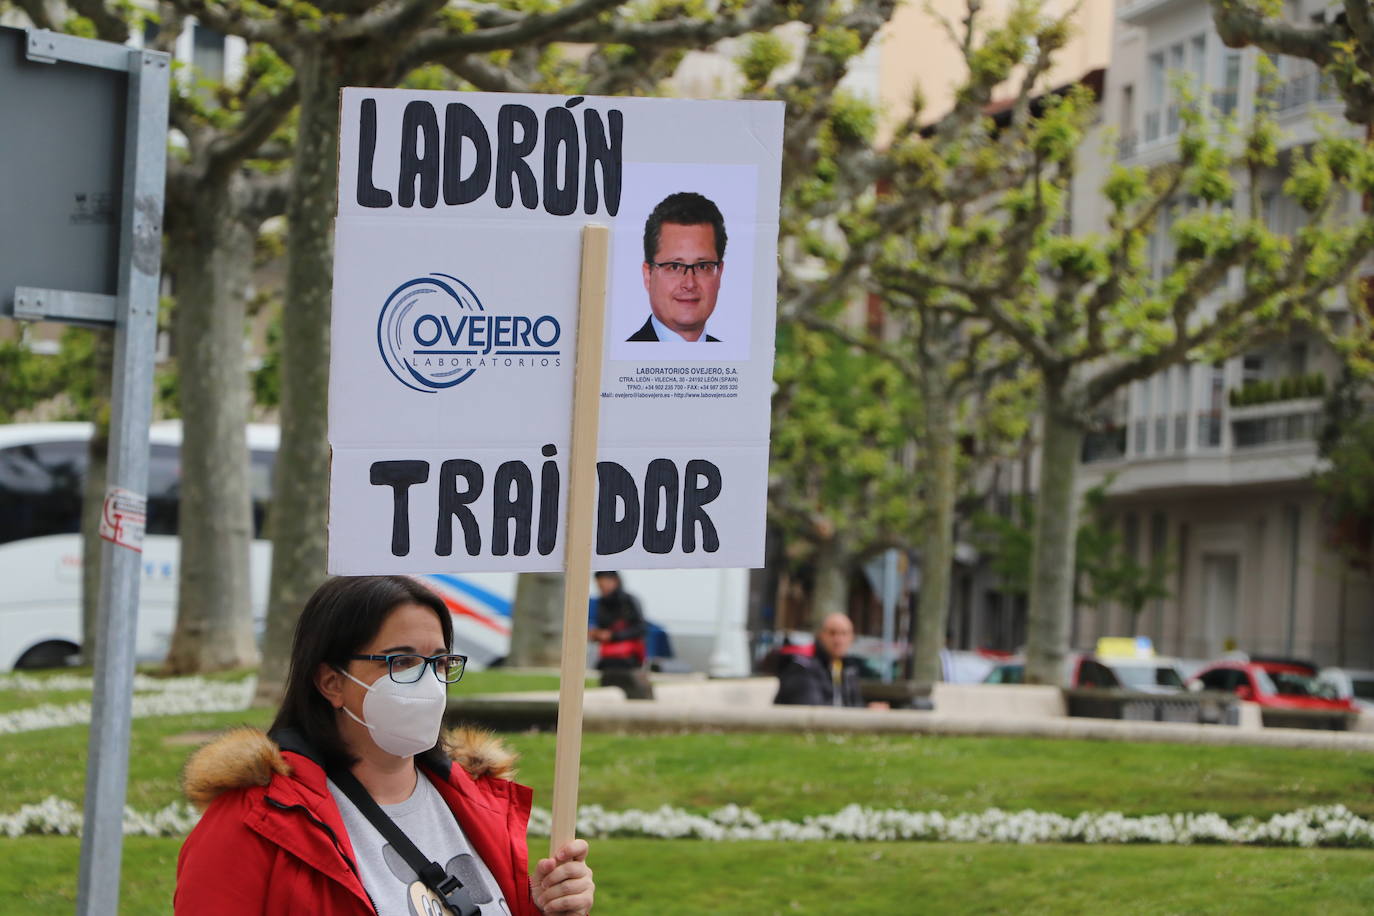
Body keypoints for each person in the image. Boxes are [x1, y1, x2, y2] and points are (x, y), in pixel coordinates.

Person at [175, 576, 594, 915]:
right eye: (402, 660)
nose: (429, 682)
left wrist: (542, 907)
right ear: (331, 682)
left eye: (439, 661)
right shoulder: (254, 819)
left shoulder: (477, 800)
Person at [628, 191, 726, 343]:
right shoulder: (619, 361)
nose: (689, 284)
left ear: (719, 274)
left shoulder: (734, 362)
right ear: (648, 275)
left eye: (702, 266)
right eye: (674, 267)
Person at [773, 613, 867, 708]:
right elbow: (813, 713)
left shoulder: (847, 668)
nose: (838, 640)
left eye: (844, 633)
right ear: (820, 635)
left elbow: (853, 705)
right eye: (832, 633)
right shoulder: (803, 666)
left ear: (852, 638)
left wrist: (868, 710)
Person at [588, 570, 654, 700]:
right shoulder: (601, 602)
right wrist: (597, 634)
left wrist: (613, 636)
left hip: (630, 660)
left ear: (614, 581)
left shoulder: (629, 601)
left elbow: (640, 628)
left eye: (604, 584)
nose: (602, 588)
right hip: (608, 661)